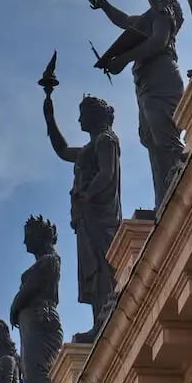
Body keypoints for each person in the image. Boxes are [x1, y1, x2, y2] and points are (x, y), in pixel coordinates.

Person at [90, 0, 185, 209]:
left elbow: (159, 42)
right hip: (145, 82)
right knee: (150, 138)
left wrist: (123, 58)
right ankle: (164, 196)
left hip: (161, 78)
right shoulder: (149, 15)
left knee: (164, 135)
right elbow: (123, 20)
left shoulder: (166, 7)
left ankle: (181, 184)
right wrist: (105, 5)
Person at [41, 84, 120, 343]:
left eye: (82, 114)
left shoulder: (105, 140)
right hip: (87, 216)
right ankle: (100, 318)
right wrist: (50, 119)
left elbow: (107, 173)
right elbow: (63, 151)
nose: (78, 119)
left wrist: (87, 194)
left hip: (100, 214)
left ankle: (108, 315)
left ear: (95, 115)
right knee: (93, 269)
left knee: (103, 263)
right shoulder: (89, 147)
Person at [10, 215, 63, 383]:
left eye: (28, 237)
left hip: (42, 319)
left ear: (39, 236)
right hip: (33, 323)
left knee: (37, 373)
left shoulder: (49, 261)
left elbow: (29, 290)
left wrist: (15, 306)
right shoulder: (45, 261)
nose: (25, 244)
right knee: (31, 377)